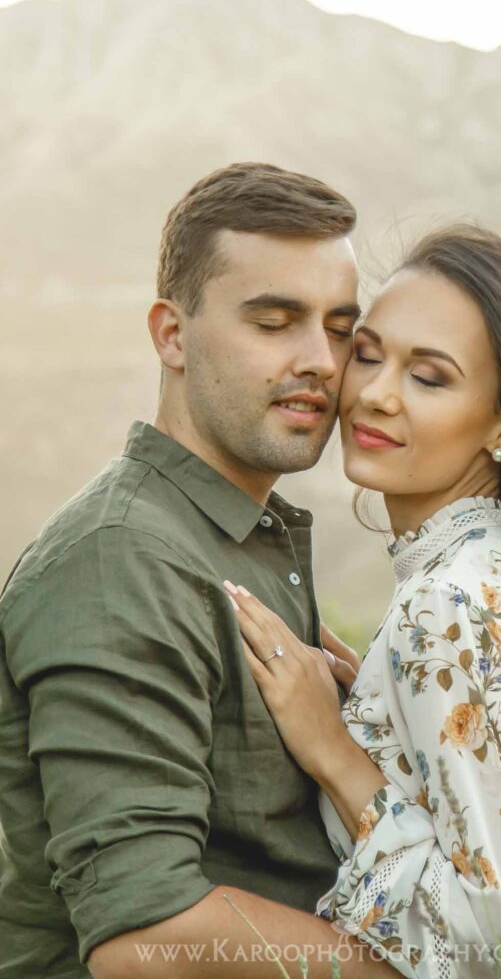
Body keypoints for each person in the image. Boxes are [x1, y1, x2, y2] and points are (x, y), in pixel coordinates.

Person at [227, 223, 501, 978]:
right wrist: (384, 707)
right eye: (367, 355)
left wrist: (333, 751)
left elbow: (499, 944)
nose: (375, 394)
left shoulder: (448, 604)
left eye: (429, 378)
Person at [0, 162, 400, 979]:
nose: (321, 361)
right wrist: (419, 971)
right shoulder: (122, 559)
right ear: (171, 335)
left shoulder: (237, 537)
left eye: (338, 329)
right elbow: (144, 938)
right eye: (274, 322)